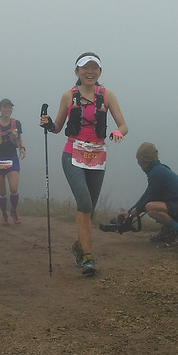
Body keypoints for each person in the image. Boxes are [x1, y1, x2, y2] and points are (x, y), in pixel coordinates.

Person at [40, 53, 127, 276]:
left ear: (99, 72)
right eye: (85, 68)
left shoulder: (107, 96)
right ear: (77, 72)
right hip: (73, 154)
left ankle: (80, 247)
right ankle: (88, 258)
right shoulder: (68, 96)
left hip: (97, 156)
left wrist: (118, 132)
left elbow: (123, 125)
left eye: (94, 68)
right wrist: (48, 123)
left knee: (90, 210)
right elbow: (58, 126)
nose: (90, 72)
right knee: (85, 204)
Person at [122, 142, 178, 246]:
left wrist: (136, 211)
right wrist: (131, 211)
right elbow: (148, 194)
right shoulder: (159, 170)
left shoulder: (156, 173)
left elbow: (149, 197)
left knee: (151, 208)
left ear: (143, 160)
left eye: (139, 161)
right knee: (154, 205)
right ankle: (168, 231)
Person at [0, 99, 25, 225]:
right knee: (2, 191)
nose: (8, 110)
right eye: (5, 107)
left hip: (12, 159)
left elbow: (19, 139)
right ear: (0, 109)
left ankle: (13, 211)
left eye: (10, 107)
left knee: (13, 188)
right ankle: (4, 214)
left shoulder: (17, 124)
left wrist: (22, 148)